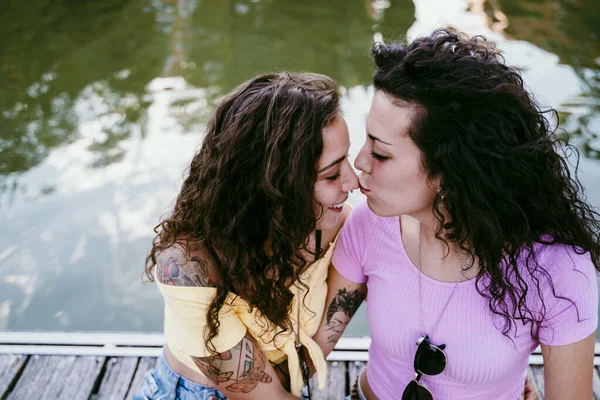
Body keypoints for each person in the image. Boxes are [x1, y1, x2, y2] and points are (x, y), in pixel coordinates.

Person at [313, 29, 600, 400]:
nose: (359, 164)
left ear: (452, 171)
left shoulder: (557, 271)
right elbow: (308, 353)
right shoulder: (367, 223)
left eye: (381, 154)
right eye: (366, 141)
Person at [135, 72, 358, 400]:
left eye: (347, 161)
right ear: (275, 188)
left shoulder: (339, 225)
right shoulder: (189, 269)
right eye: (332, 173)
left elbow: (320, 342)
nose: (352, 182)